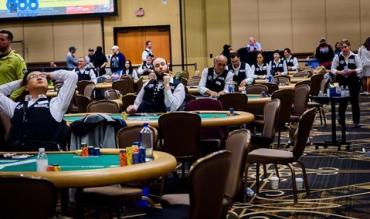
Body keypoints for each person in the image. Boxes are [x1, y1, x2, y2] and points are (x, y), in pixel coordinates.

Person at [0, 69, 78, 151]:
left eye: (42, 76)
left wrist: (50, 74)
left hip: (48, 157)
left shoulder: (56, 104)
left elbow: (72, 76)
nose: (39, 78)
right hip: (18, 156)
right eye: (33, 77)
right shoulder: (15, 107)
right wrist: (21, 82)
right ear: (26, 87)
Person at [331, 39, 362, 128]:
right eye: (342, 48)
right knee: (342, 102)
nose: (343, 49)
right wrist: (339, 72)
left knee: (354, 102)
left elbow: (360, 68)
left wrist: (352, 70)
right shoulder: (337, 57)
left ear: (349, 46)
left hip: (353, 82)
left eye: (345, 47)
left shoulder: (355, 56)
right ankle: (341, 119)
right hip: (342, 82)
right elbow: (332, 69)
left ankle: (356, 122)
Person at [0, 29, 27, 100]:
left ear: (9, 42)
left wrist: (11, 98)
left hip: (9, 99)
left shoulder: (17, 59)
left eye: (2, 40)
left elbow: (24, 81)